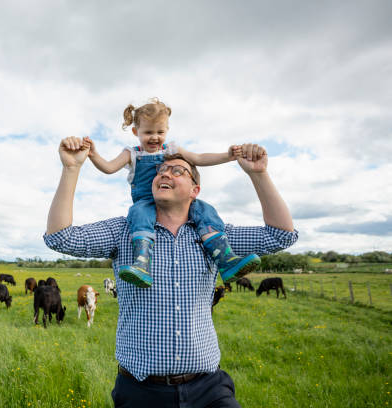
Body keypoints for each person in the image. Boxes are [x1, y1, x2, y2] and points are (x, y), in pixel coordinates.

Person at [44, 137, 297, 407]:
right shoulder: (123, 231)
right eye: (160, 171)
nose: (164, 173)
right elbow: (60, 238)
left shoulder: (215, 236)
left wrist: (259, 174)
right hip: (141, 392)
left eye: (178, 171)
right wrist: (71, 169)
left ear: (194, 190)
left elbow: (281, 236)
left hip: (209, 388)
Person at [82, 98, 260, 288]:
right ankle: (142, 264)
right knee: (138, 214)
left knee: (205, 210)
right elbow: (109, 168)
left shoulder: (171, 149)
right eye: (148, 132)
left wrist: (228, 156)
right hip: (146, 201)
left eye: (160, 132)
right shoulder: (132, 154)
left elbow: (198, 158)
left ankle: (226, 260)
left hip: (177, 202)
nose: (155, 137)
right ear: (136, 132)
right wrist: (93, 154)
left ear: (167, 131)